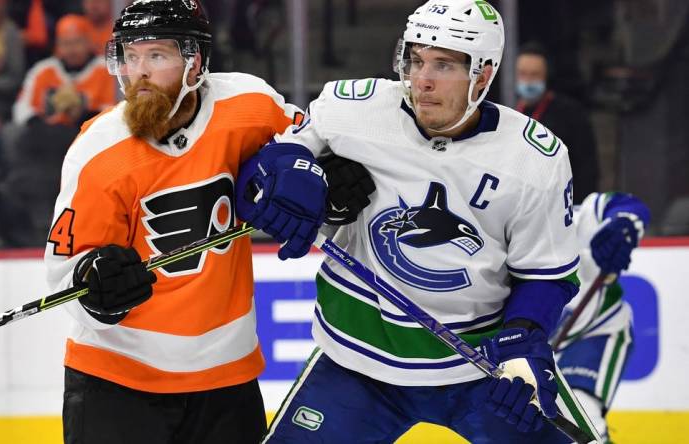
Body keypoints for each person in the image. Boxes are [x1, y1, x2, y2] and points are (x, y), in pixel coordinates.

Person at [243, 1, 596, 442]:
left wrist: (524, 339)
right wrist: (291, 181)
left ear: (483, 75)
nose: (421, 79)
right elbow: (270, 167)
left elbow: (547, 276)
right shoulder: (354, 109)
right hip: (355, 361)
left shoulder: (533, 161)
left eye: (443, 65)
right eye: (415, 59)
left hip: (480, 367)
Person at [43, 1, 326, 443]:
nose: (139, 72)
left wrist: (322, 177)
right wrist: (95, 286)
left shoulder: (248, 105)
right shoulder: (98, 152)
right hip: (117, 384)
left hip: (226, 382)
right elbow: (64, 275)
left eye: (157, 56)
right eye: (130, 56)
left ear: (196, 63)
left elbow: (311, 142)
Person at [554, 191, 650, 442]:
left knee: (581, 411)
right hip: (532, 349)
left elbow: (626, 204)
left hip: (595, 331)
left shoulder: (570, 221)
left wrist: (623, 225)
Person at [516, 42, 599, 203]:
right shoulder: (506, 110)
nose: (528, 81)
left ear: (546, 76)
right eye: (523, 74)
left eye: (535, 75)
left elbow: (587, 170)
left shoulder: (571, 115)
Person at [12, 14, 115, 126]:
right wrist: (42, 123)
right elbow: (22, 107)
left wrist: (83, 116)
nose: (72, 49)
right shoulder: (42, 70)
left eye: (77, 42)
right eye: (66, 43)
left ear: (88, 42)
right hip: (47, 134)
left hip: (93, 133)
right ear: (57, 45)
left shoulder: (107, 69)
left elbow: (117, 109)